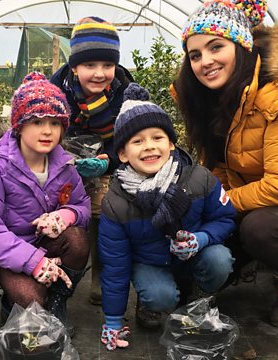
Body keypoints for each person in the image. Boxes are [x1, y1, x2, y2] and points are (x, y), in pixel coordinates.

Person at [172, 0, 278, 328]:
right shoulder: (213, 98)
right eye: (195, 55)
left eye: (215, 47)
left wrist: (220, 204)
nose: (204, 61)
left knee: (260, 229)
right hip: (255, 201)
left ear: (241, 46)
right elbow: (217, 170)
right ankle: (243, 264)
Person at [98, 83, 236, 351]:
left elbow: (226, 219)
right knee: (160, 296)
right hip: (150, 262)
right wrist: (113, 320)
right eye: (137, 141)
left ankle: (200, 298)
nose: (149, 147)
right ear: (123, 154)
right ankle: (150, 304)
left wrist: (202, 238)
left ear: (171, 143)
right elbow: (114, 267)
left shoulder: (199, 178)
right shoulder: (116, 202)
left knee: (220, 259)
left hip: (193, 256)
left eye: (157, 137)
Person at [0, 73, 91, 331]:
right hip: (8, 253)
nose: (47, 131)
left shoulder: (66, 166)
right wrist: (33, 261)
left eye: (55, 123)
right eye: (36, 121)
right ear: (19, 125)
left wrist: (66, 216)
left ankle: (58, 299)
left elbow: (83, 206)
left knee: (78, 240)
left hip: (46, 244)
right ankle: (12, 301)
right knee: (31, 298)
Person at [50, 16, 134, 306]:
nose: (99, 73)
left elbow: (128, 138)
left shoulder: (124, 94)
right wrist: (65, 160)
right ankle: (56, 269)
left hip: (106, 165)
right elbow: (45, 134)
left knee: (103, 212)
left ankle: (101, 272)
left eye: (107, 65)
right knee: (60, 216)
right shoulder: (57, 93)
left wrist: (107, 161)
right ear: (74, 66)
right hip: (61, 166)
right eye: (90, 65)